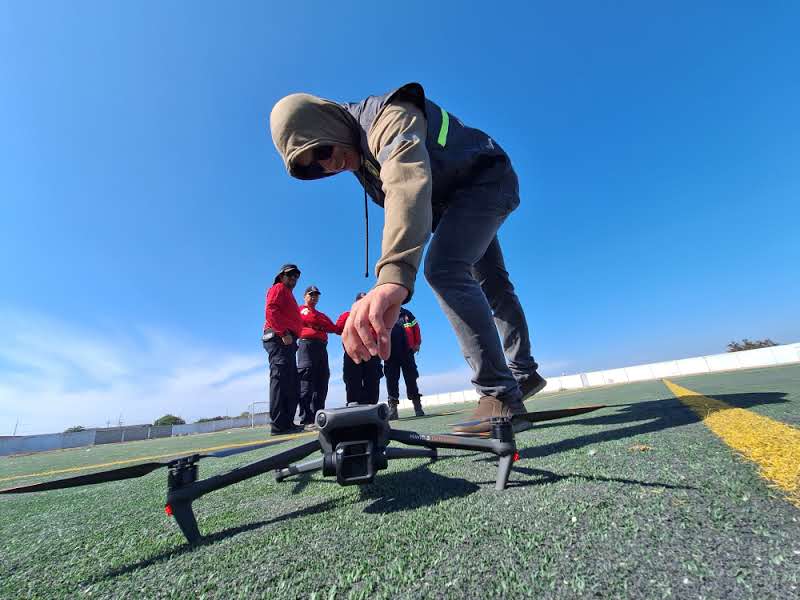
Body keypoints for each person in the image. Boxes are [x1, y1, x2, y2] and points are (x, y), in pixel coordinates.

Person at [270, 83, 546, 434]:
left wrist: (393, 276)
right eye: (315, 169)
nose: (329, 165)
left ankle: (500, 394)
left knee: (445, 269)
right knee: (491, 283)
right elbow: (402, 206)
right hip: (452, 206)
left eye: (323, 149)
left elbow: (405, 183)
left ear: (329, 123)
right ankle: (524, 374)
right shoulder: (360, 161)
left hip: (485, 182)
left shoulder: (388, 117)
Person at [263, 263, 304, 435]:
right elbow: (271, 310)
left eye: (296, 276)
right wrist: (283, 332)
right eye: (290, 275)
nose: (293, 278)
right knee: (280, 380)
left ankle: (287, 423)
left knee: (291, 382)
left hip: (288, 340)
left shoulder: (289, 294)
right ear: (281, 277)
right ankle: (279, 425)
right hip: (279, 338)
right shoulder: (278, 288)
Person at [297, 285, 340, 429]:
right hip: (306, 346)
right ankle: (306, 419)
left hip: (322, 347)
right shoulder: (298, 310)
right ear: (305, 296)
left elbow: (334, 328)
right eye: (311, 294)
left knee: (322, 379)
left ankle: (318, 416)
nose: (314, 297)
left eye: (316, 295)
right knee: (306, 380)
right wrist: (319, 326)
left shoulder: (322, 315)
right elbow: (307, 320)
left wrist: (348, 318)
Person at [335, 293, 383, 405]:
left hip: (372, 351)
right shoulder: (347, 315)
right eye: (360, 301)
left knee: (373, 378)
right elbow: (337, 329)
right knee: (352, 378)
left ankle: (371, 404)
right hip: (353, 352)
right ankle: (353, 403)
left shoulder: (374, 316)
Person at [384, 307, 424, 419]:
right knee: (391, 380)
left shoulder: (407, 314)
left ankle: (417, 407)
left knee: (411, 378)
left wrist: (417, 343)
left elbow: (416, 328)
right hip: (390, 354)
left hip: (407, 352)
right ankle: (393, 410)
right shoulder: (383, 313)